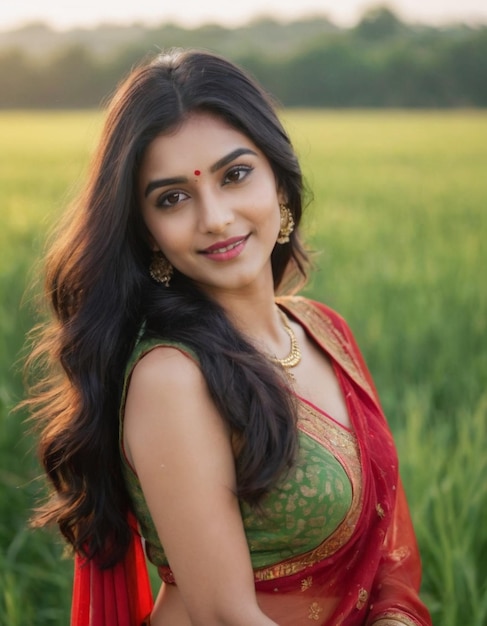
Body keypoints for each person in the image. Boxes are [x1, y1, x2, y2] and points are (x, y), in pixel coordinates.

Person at [26, 49, 432, 626]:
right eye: (172, 198)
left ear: (279, 182)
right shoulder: (172, 379)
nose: (214, 217)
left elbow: (388, 544)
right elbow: (225, 616)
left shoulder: (323, 330)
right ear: (147, 234)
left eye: (235, 175)